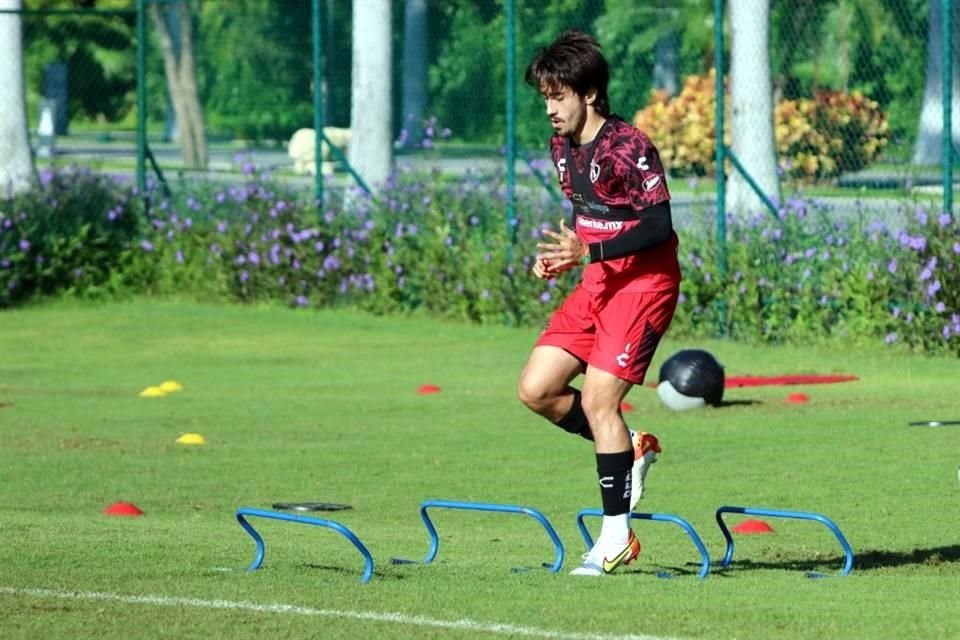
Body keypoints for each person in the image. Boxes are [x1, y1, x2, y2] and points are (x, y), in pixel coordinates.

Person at [517, 30, 682, 577]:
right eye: (544, 96)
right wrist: (566, 257)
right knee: (536, 390)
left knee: (598, 401)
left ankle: (617, 538)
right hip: (597, 281)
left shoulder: (628, 145)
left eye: (557, 95)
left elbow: (659, 224)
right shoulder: (561, 147)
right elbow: (589, 216)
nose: (550, 108)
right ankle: (630, 446)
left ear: (588, 93)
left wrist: (591, 248)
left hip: (643, 285)